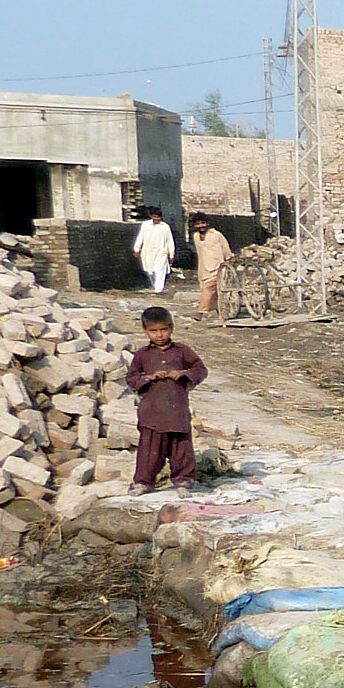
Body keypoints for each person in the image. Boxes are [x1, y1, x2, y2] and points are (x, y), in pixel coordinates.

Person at [127, 305, 207, 491]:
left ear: (171, 328)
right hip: (152, 412)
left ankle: (183, 481)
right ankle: (144, 483)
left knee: (181, 448)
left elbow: (200, 370)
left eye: (163, 330)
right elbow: (131, 378)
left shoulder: (182, 351)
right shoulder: (142, 355)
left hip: (177, 410)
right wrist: (148, 377)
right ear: (145, 331)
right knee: (149, 450)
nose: (159, 335)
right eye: (153, 331)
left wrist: (182, 374)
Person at [189, 213, 231, 319]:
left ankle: (201, 311)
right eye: (198, 224)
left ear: (207, 223)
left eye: (202, 223)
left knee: (208, 288)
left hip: (218, 267)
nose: (201, 226)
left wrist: (228, 261)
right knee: (214, 290)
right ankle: (218, 309)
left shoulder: (216, 235)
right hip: (204, 268)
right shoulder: (196, 237)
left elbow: (226, 249)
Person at [132, 207, 177, 294]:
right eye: (154, 217)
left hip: (161, 252)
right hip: (147, 252)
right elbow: (140, 237)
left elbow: (169, 241)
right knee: (150, 271)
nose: (156, 219)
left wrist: (171, 254)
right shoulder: (145, 225)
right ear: (151, 216)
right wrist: (136, 248)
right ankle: (155, 287)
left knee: (160, 270)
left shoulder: (165, 227)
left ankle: (158, 290)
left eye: (158, 217)